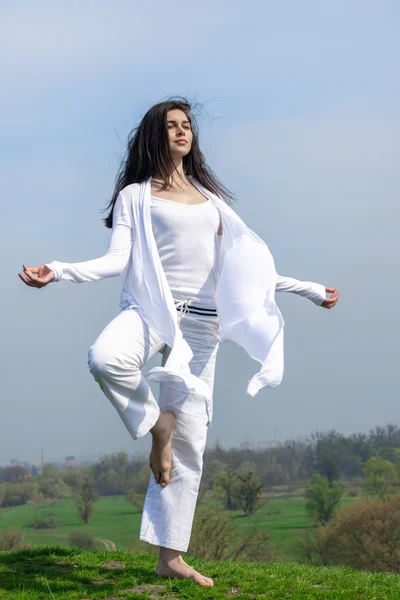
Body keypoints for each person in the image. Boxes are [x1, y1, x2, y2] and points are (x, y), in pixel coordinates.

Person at [18, 98, 340, 587]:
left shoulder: (212, 201)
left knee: (192, 442)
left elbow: (249, 270)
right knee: (105, 359)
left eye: (186, 125)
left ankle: (170, 556)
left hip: (202, 325)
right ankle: (156, 426)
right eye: (171, 125)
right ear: (155, 135)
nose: (182, 131)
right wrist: (58, 271)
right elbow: (115, 260)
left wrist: (311, 291)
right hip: (150, 311)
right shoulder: (135, 196)